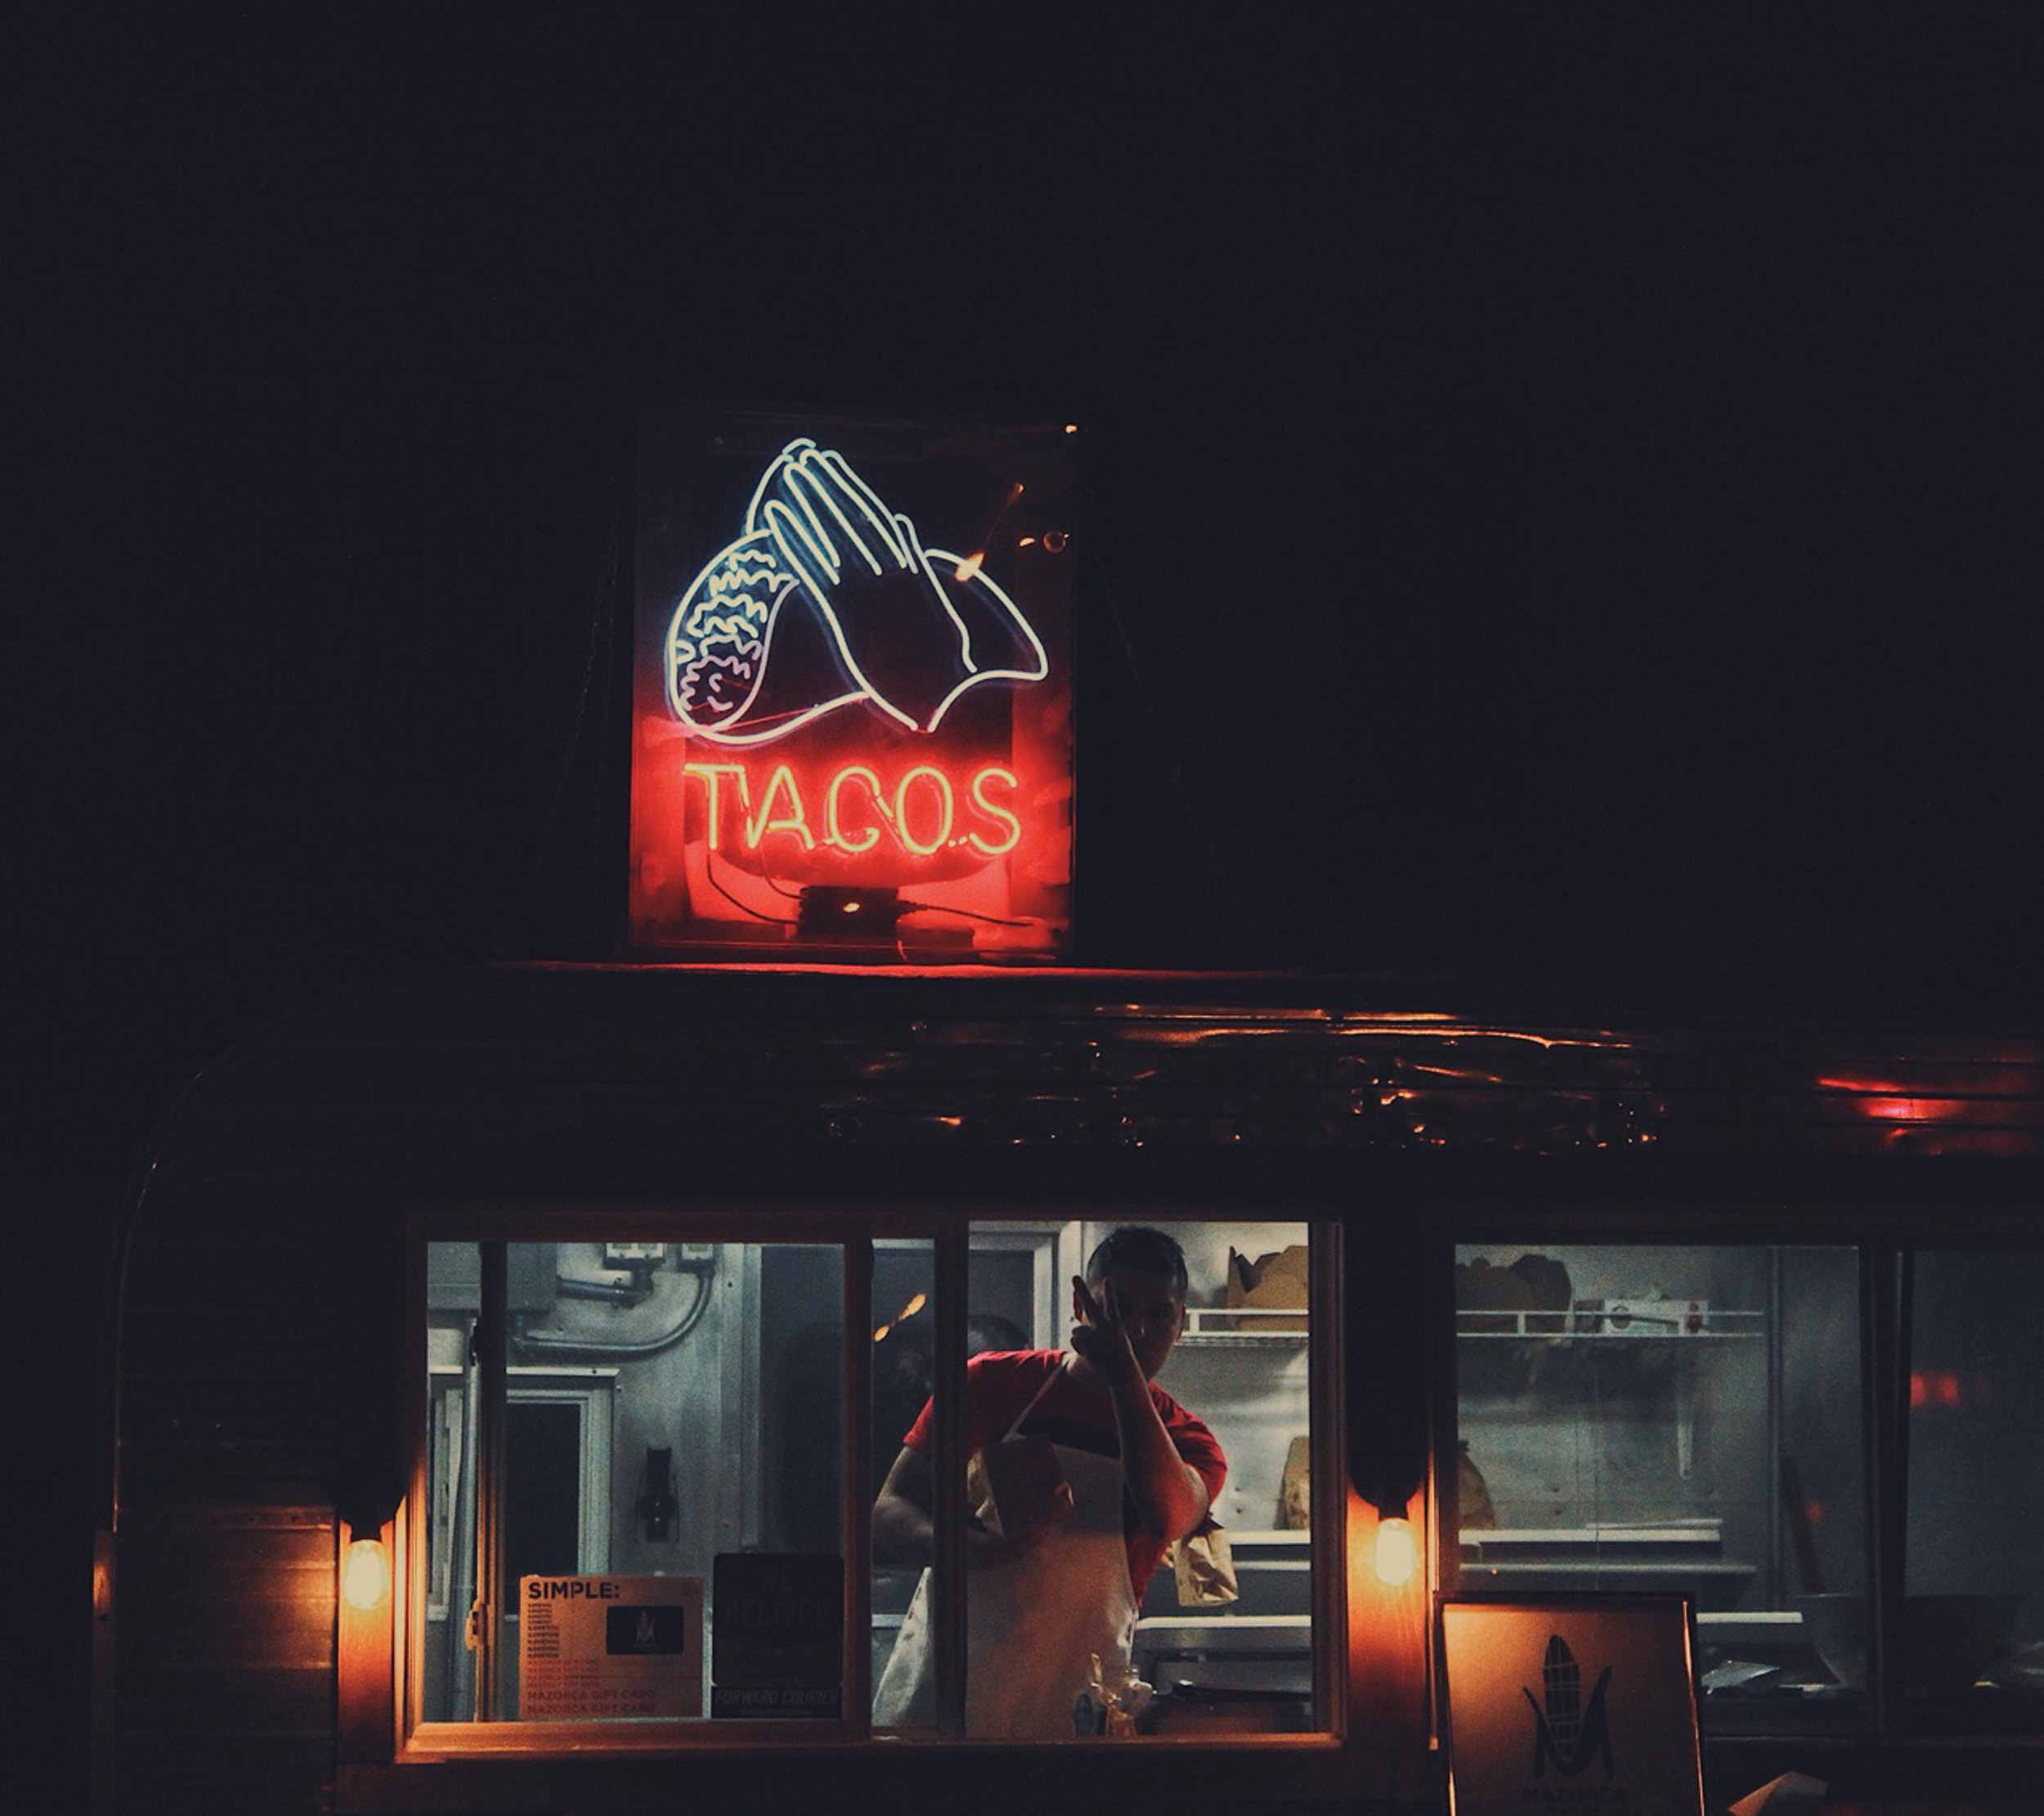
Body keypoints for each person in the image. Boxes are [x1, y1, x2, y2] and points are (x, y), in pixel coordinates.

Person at [871, 1226, 1226, 1738]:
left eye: (1159, 1314)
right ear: (1083, 1303)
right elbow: (889, 1510)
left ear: (1181, 1323)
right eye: (1119, 1307)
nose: (1138, 1332)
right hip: (951, 1696)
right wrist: (961, 1546)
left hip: (1080, 1709)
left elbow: (1167, 1514)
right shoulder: (990, 1383)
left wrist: (1125, 1377)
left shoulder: (1188, 1441)